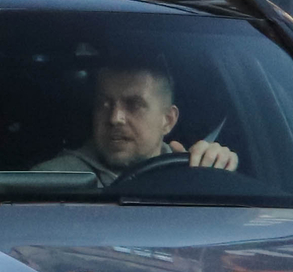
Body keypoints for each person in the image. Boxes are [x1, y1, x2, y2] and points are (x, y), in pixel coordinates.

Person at [36, 64, 237, 186]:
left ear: (167, 120)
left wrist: (218, 172)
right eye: (104, 104)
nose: (115, 118)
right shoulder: (51, 180)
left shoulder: (194, 175)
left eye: (134, 105)